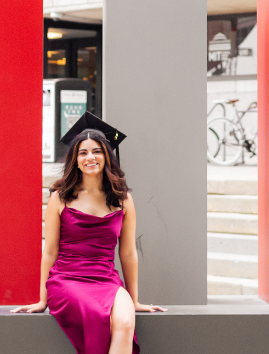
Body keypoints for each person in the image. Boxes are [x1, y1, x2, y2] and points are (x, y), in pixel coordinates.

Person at [11, 113, 166, 354]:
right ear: (75, 160)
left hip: (106, 279)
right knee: (97, 317)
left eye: (97, 151)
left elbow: (128, 253)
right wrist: (42, 300)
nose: (90, 157)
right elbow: (50, 251)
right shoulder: (60, 197)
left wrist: (134, 300)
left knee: (125, 322)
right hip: (67, 280)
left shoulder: (123, 199)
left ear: (107, 156)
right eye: (83, 153)